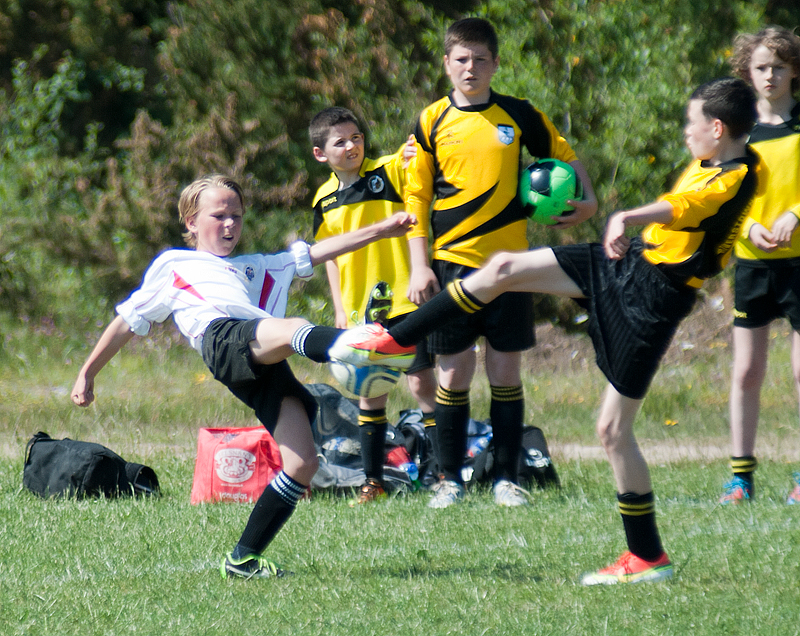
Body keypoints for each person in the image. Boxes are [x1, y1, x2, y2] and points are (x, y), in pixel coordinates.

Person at [331, 77, 759, 583]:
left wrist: (628, 213)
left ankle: (646, 557)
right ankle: (397, 337)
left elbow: (687, 207)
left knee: (612, 431)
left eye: (691, 125)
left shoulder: (734, 174)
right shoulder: (722, 159)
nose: (686, 134)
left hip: (654, 299)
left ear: (716, 127)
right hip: (629, 265)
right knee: (504, 269)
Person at [70, 174, 416, 579]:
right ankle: (358, 343)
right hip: (223, 338)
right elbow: (127, 322)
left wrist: (382, 229)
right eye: (219, 215)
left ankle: (242, 559)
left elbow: (319, 252)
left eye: (237, 215)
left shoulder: (257, 267)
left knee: (301, 463)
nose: (230, 223)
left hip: (261, 359)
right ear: (191, 222)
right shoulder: (174, 263)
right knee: (293, 327)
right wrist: (87, 373)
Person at [403, 17, 598, 508]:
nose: (471, 68)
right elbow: (415, 200)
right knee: (453, 374)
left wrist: (589, 202)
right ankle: (450, 480)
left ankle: (505, 479)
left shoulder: (518, 114)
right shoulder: (430, 121)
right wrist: (418, 265)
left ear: (495, 63)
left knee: (506, 373)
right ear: (446, 64)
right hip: (451, 264)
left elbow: (564, 155)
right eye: (461, 59)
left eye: (480, 59)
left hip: (511, 269)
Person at [309, 106, 438, 505]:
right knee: (370, 393)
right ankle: (373, 482)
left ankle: (441, 475)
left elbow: (411, 160)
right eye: (340, 141)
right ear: (320, 154)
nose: (352, 146)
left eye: (357, 137)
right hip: (363, 310)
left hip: (405, 297)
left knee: (422, 383)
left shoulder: (386, 170)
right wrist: (340, 309)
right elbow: (329, 255)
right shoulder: (324, 199)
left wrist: (415, 151)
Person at [721, 26, 800, 505]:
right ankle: (740, 478)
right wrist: (747, 226)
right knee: (747, 371)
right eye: (762, 67)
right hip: (752, 262)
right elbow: (723, 188)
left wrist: (795, 213)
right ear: (747, 71)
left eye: (780, 66)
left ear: (795, 70)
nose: (770, 75)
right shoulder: (736, 128)